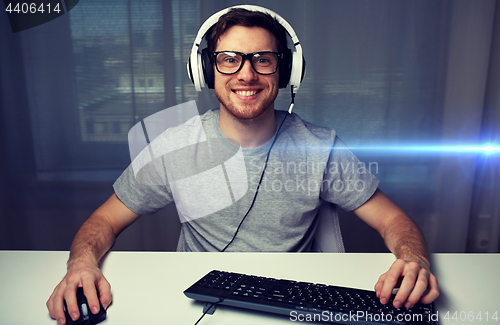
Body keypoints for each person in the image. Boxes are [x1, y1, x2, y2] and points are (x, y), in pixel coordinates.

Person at [47, 6, 439, 325]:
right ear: (206, 71)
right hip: (197, 305)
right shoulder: (173, 146)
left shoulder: (320, 147)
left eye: (262, 60)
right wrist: (81, 266)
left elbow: (393, 221)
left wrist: (413, 260)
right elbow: (104, 221)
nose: (246, 74)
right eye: (229, 60)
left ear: (285, 72)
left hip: (291, 306)